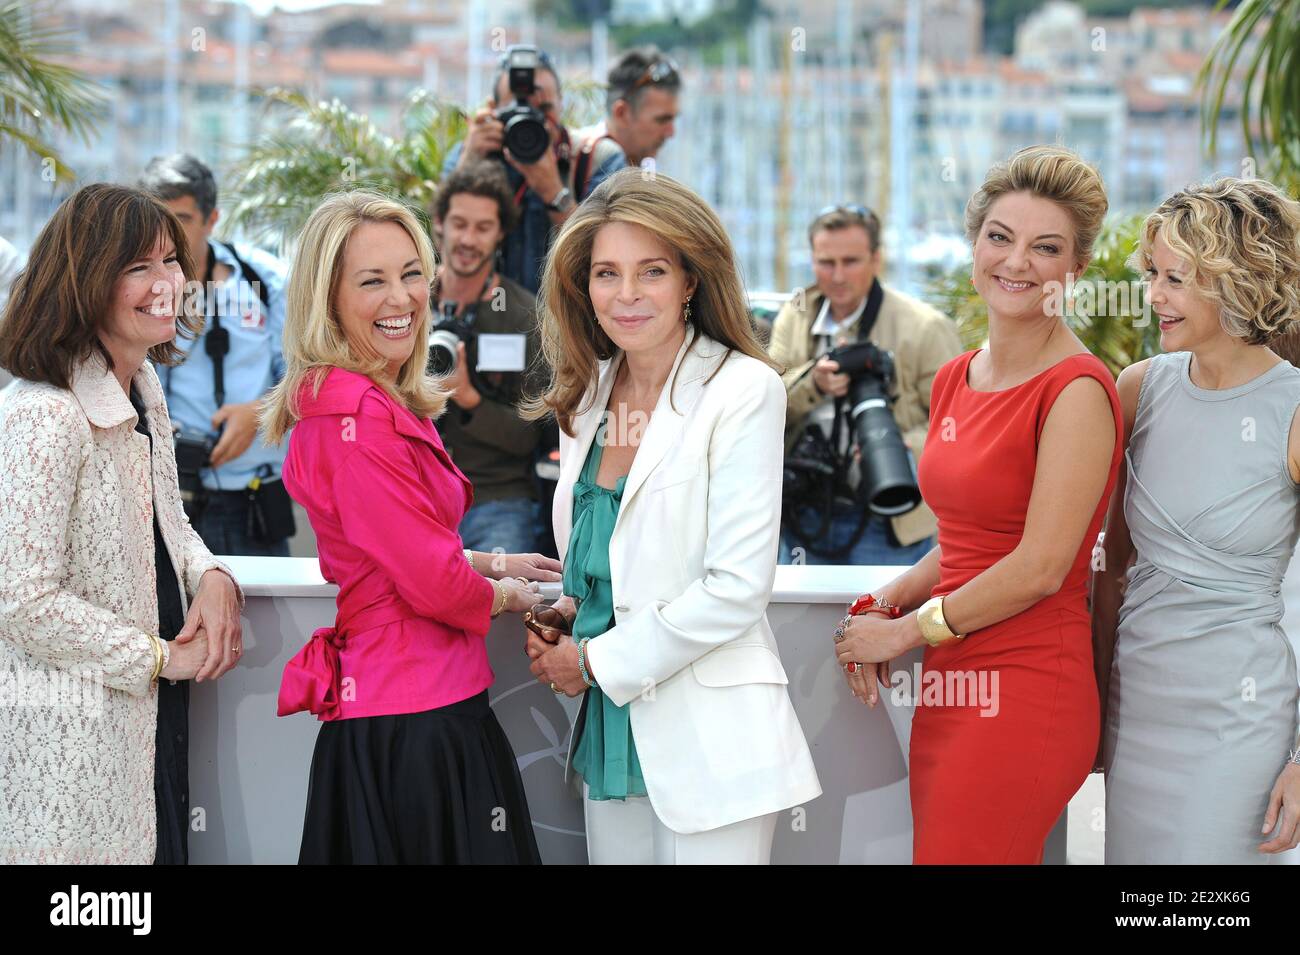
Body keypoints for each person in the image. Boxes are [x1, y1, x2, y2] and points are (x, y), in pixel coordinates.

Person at [831, 146, 1123, 863]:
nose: (1016, 261)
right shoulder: (957, 375)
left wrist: (903, 635)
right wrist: (885, 600)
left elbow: (1042, 565)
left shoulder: (1078, 390)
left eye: (1045, 247)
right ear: (975, 245)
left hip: (1027, 687)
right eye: (1000, 236)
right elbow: (968, 540)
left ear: (1075, 270)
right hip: (953, 678)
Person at [522, 168, 822, 865]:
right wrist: (567, 612)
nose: (625, 295)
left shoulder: (742, 389)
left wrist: (592, 660)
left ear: (691, 280)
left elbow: (736, 587)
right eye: (606, 273)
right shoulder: (587, 392)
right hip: (611, 724)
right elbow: (606, 558)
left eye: (650, 271)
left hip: (710, 735)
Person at [262, 189, 557, 864]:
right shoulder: (358, 418)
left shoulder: (365, 398)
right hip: (415, 721)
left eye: (410, 272)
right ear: (326, 299)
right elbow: (432, 584)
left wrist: (487, 563)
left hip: (405, 711)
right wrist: (514, 597)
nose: (402, 298)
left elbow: (395, 547)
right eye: (372, 280)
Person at [0, 184, 244, 864]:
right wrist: (161, 657)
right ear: (83, 282)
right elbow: (22, 601)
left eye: (170, 260)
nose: (167, 282)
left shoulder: (144, 386)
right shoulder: (42, 414)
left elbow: (170, 518)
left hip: (150, 725)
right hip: (71, 744)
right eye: (138, 266)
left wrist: (213, 574)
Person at [1093, 177, 1300, 863]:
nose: (1153, 294)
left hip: (1240, 726)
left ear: (1237, 280)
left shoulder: (1293, 408)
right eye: (1152, 273)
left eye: (1174, 278)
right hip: (1137, 710)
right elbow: (1111, 563)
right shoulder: (1138, 388)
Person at [769, 204, 962, 565]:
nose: (837, 275)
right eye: (826, 262)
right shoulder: (794, 318)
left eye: (851, 261)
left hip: (889, 514)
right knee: (797, 619)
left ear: (876, 259)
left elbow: (959, 426)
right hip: (805, 507)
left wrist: (901, 446)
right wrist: (815, 383)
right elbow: (764, 402)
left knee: (885, 619)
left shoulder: (925, 327)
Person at [139, 153, 293, 557]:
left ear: (212, 219)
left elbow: (310, 377)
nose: (166, 233)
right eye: (156, 218)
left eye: (182, 219)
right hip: (161, 497)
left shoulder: (266, 280)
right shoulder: (129, 287)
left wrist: (258, 413)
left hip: (253, 498)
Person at [431, 161, 548, 556]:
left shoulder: (523, 316)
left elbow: (530, 435)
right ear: (439, 224)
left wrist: (468, 399)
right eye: (460, 224)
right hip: (414, 493)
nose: (468, 239)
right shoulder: (406, 302)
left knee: (505, 607)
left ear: (500, 235)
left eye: (483, 228)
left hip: (495, 498)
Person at [442, 45, 626, 294]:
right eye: (516, 111)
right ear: (492, 109)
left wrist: (554, 193)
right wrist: (469, 164)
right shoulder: (472, 154)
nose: (529, 123)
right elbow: (440, 241)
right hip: (488, 321)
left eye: (543, 110)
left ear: (561, 105)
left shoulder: (598, 158)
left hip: (566, 325)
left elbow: (612, 254)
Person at [571, 46, 681, 188]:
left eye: (673, 119)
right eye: (661, 120)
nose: (671, 132)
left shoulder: (639, 167)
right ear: (621, 113)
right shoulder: (585, 159)